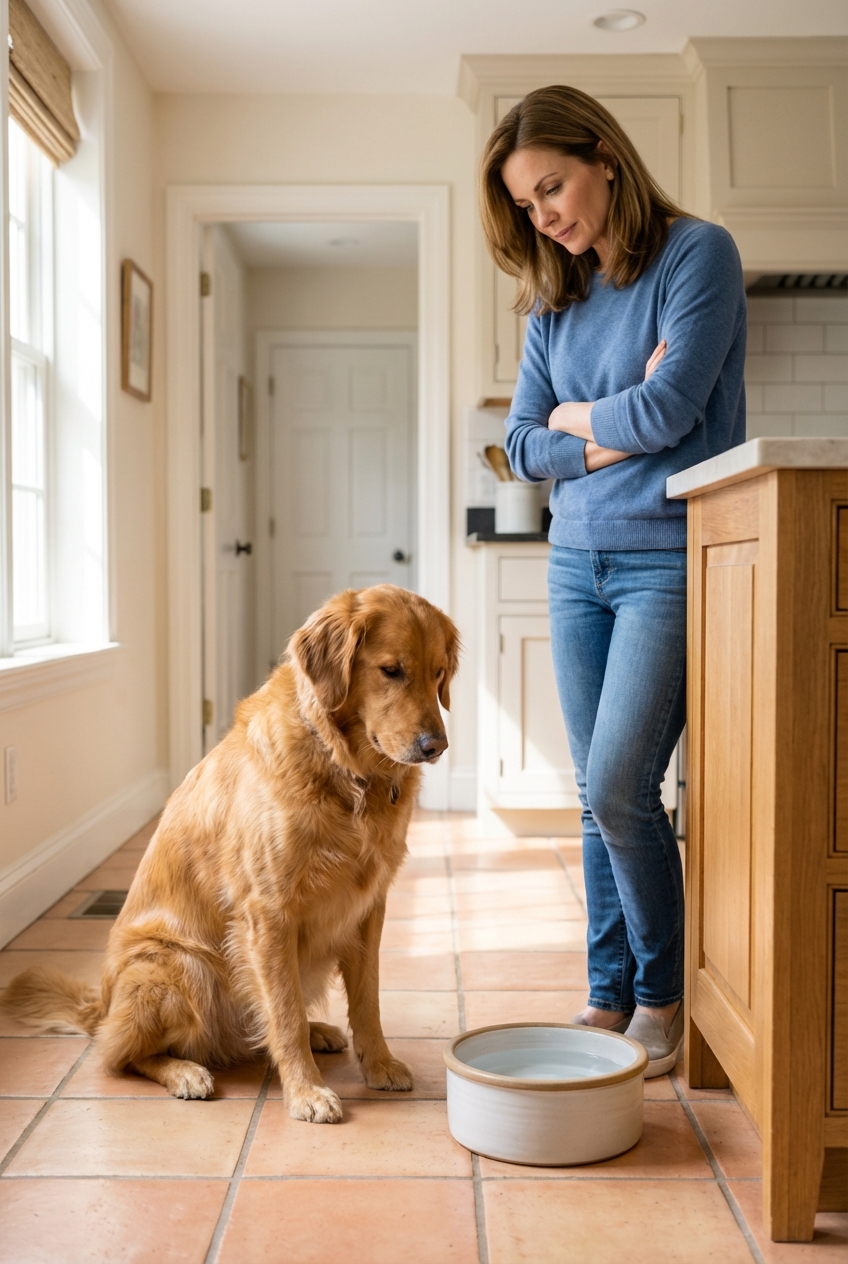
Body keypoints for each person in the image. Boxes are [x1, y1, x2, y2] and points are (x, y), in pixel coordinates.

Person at [479, 85, 746, 1077]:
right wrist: (610, 417)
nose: (544, 215)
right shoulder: (555, 297)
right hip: (572, 563)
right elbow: (517, 444)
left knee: (615, 785)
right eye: (525, 204)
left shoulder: (695, 254)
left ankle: (663, 995)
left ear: (601, 156)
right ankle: (604, 991)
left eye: (550, 186)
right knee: (596, 794)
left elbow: (671, 411)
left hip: (665, 556)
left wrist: (576, 422)